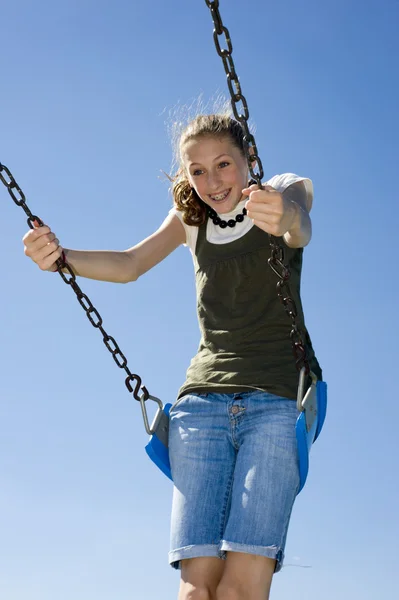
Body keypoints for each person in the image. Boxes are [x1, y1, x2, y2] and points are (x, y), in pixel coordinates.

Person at [23, 112, 322, 600]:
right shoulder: (191, 220)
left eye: (223, 164)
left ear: (248, 159)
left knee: (239, 589)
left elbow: (299, 227)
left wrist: (285, 216)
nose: (212, 181)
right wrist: (62, 257)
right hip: (199, 408)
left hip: (275, 400)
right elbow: (130, 263)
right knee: (195, 591)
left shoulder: (281, 191)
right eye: (197, 171)